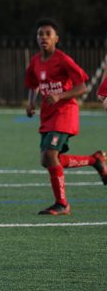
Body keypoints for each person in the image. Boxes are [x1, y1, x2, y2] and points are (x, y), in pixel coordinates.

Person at [25, 18, 106, 215]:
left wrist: (60, 95)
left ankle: (62, 204)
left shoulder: (63, 60)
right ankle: (94, 160)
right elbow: (33, 82)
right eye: (40, 34)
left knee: (50, 155)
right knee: (49, 160)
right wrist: (31, 102)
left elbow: (82, 86)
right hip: (48, 115)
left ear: (56, 39)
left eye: (48, 34)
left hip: (65, 113)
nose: (43, 37)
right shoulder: (35, 61)